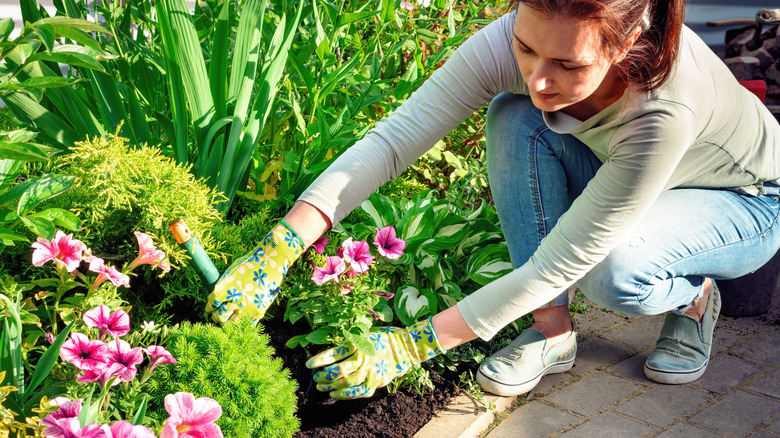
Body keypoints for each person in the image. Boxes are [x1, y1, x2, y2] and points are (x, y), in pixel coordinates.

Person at [205, 0, 780, 400]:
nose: (537, 76)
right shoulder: (529, 45)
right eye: (526, 48)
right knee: (516, 115)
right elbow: (394, 142)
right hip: (630, 175)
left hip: (743, 199)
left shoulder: (662, 107)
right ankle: (552, 329)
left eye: (567, 65)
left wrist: (412, 344)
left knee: (615, 270)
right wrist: (279, 246)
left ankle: (693, 299)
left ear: (626, 43)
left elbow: (564, 259)